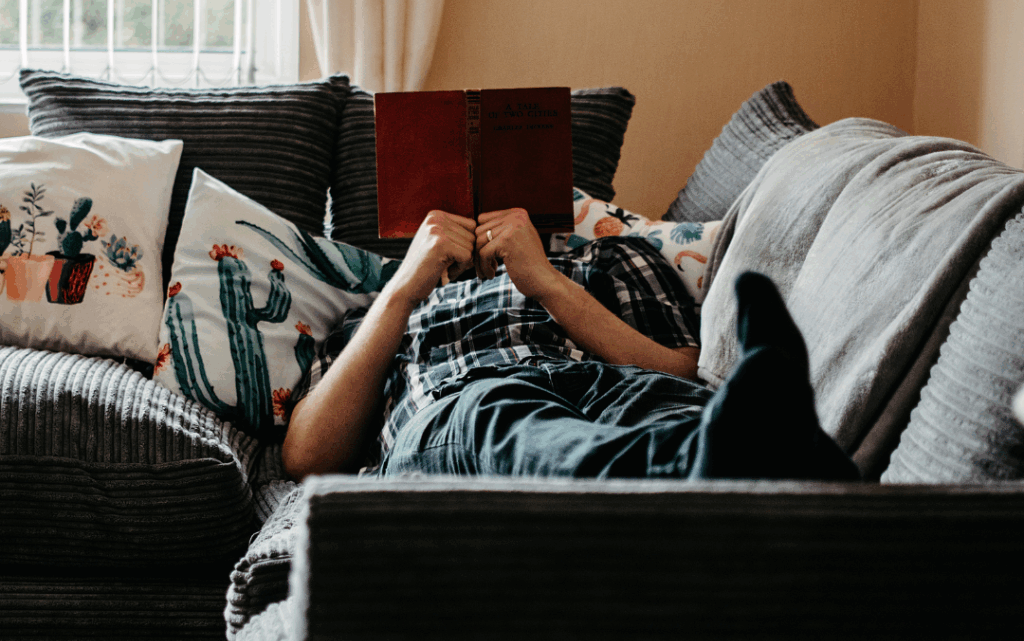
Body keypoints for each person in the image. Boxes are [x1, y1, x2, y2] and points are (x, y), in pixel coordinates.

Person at [282, 207, 859, 483]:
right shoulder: (375, 312)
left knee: (685, 409)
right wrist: (402, 291)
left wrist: (546, 282)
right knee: (500, 413)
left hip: (624, 387)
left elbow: (684, 371)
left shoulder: (615, 256)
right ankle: (724, 468)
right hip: (468, 404)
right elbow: (307, 457)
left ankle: (776, 457)